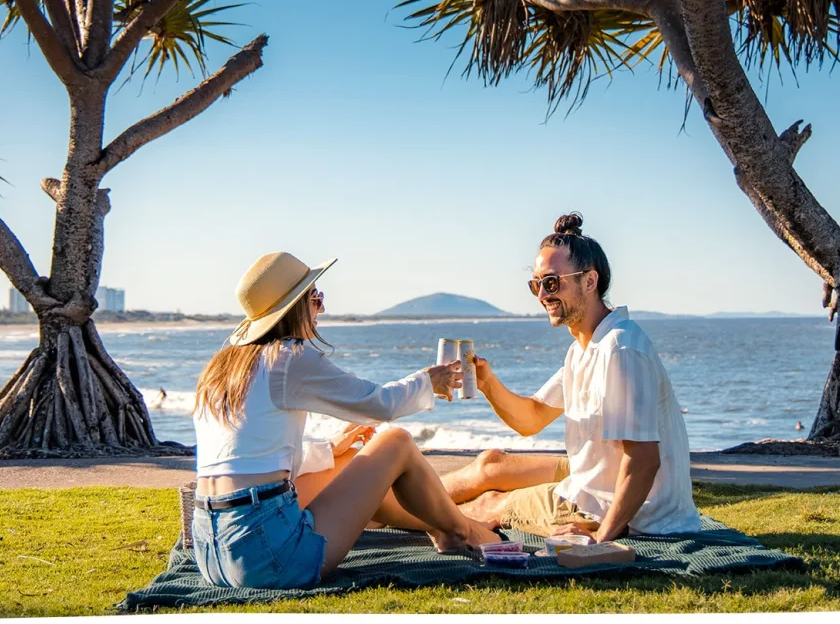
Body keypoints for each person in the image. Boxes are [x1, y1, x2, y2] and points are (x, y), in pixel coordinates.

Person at [192, 251, 500, 589]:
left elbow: (250, 459)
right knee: (395, 443)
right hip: (268, 556)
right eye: (315, 297)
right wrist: (429, 379)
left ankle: (446, 526)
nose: (321, 308)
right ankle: (461, 532)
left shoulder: (221, 368)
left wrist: (328, 449)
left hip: (212, 552)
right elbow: (378, 405)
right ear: (295, 307)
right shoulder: (287, 357)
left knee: (352, 461)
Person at [442, 213, 701, 541]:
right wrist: (488, 383)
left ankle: (383, 511)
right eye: (536, 284)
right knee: (491, 464)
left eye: (551, 283)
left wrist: (601, 539)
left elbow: (643, 461)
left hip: (628, 514)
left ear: (589, 282)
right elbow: (531, 418)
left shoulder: (619, 349)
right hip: (594, 483)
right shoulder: (583, 349)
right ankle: (384, 498)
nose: (541, 295)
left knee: (488, 505)